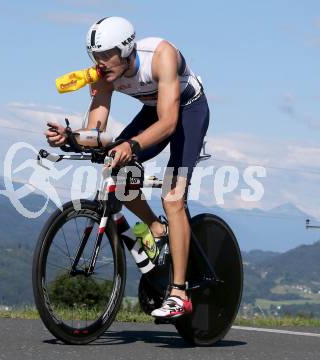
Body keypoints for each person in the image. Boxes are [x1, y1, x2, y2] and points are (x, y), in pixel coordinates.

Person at [45, 16, 209, 319]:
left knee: (173, 197)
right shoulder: (102, 75)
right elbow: (95, 132)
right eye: (95, 56)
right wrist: (68, 137)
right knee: (115, 167)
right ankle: (157, 229)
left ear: (126, 48)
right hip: (153, 110)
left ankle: (179, 293)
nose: (100, 63)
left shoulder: (161, 56)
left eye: (106, 55)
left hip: (187, 110)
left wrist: (131, 146)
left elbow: (169, 123)